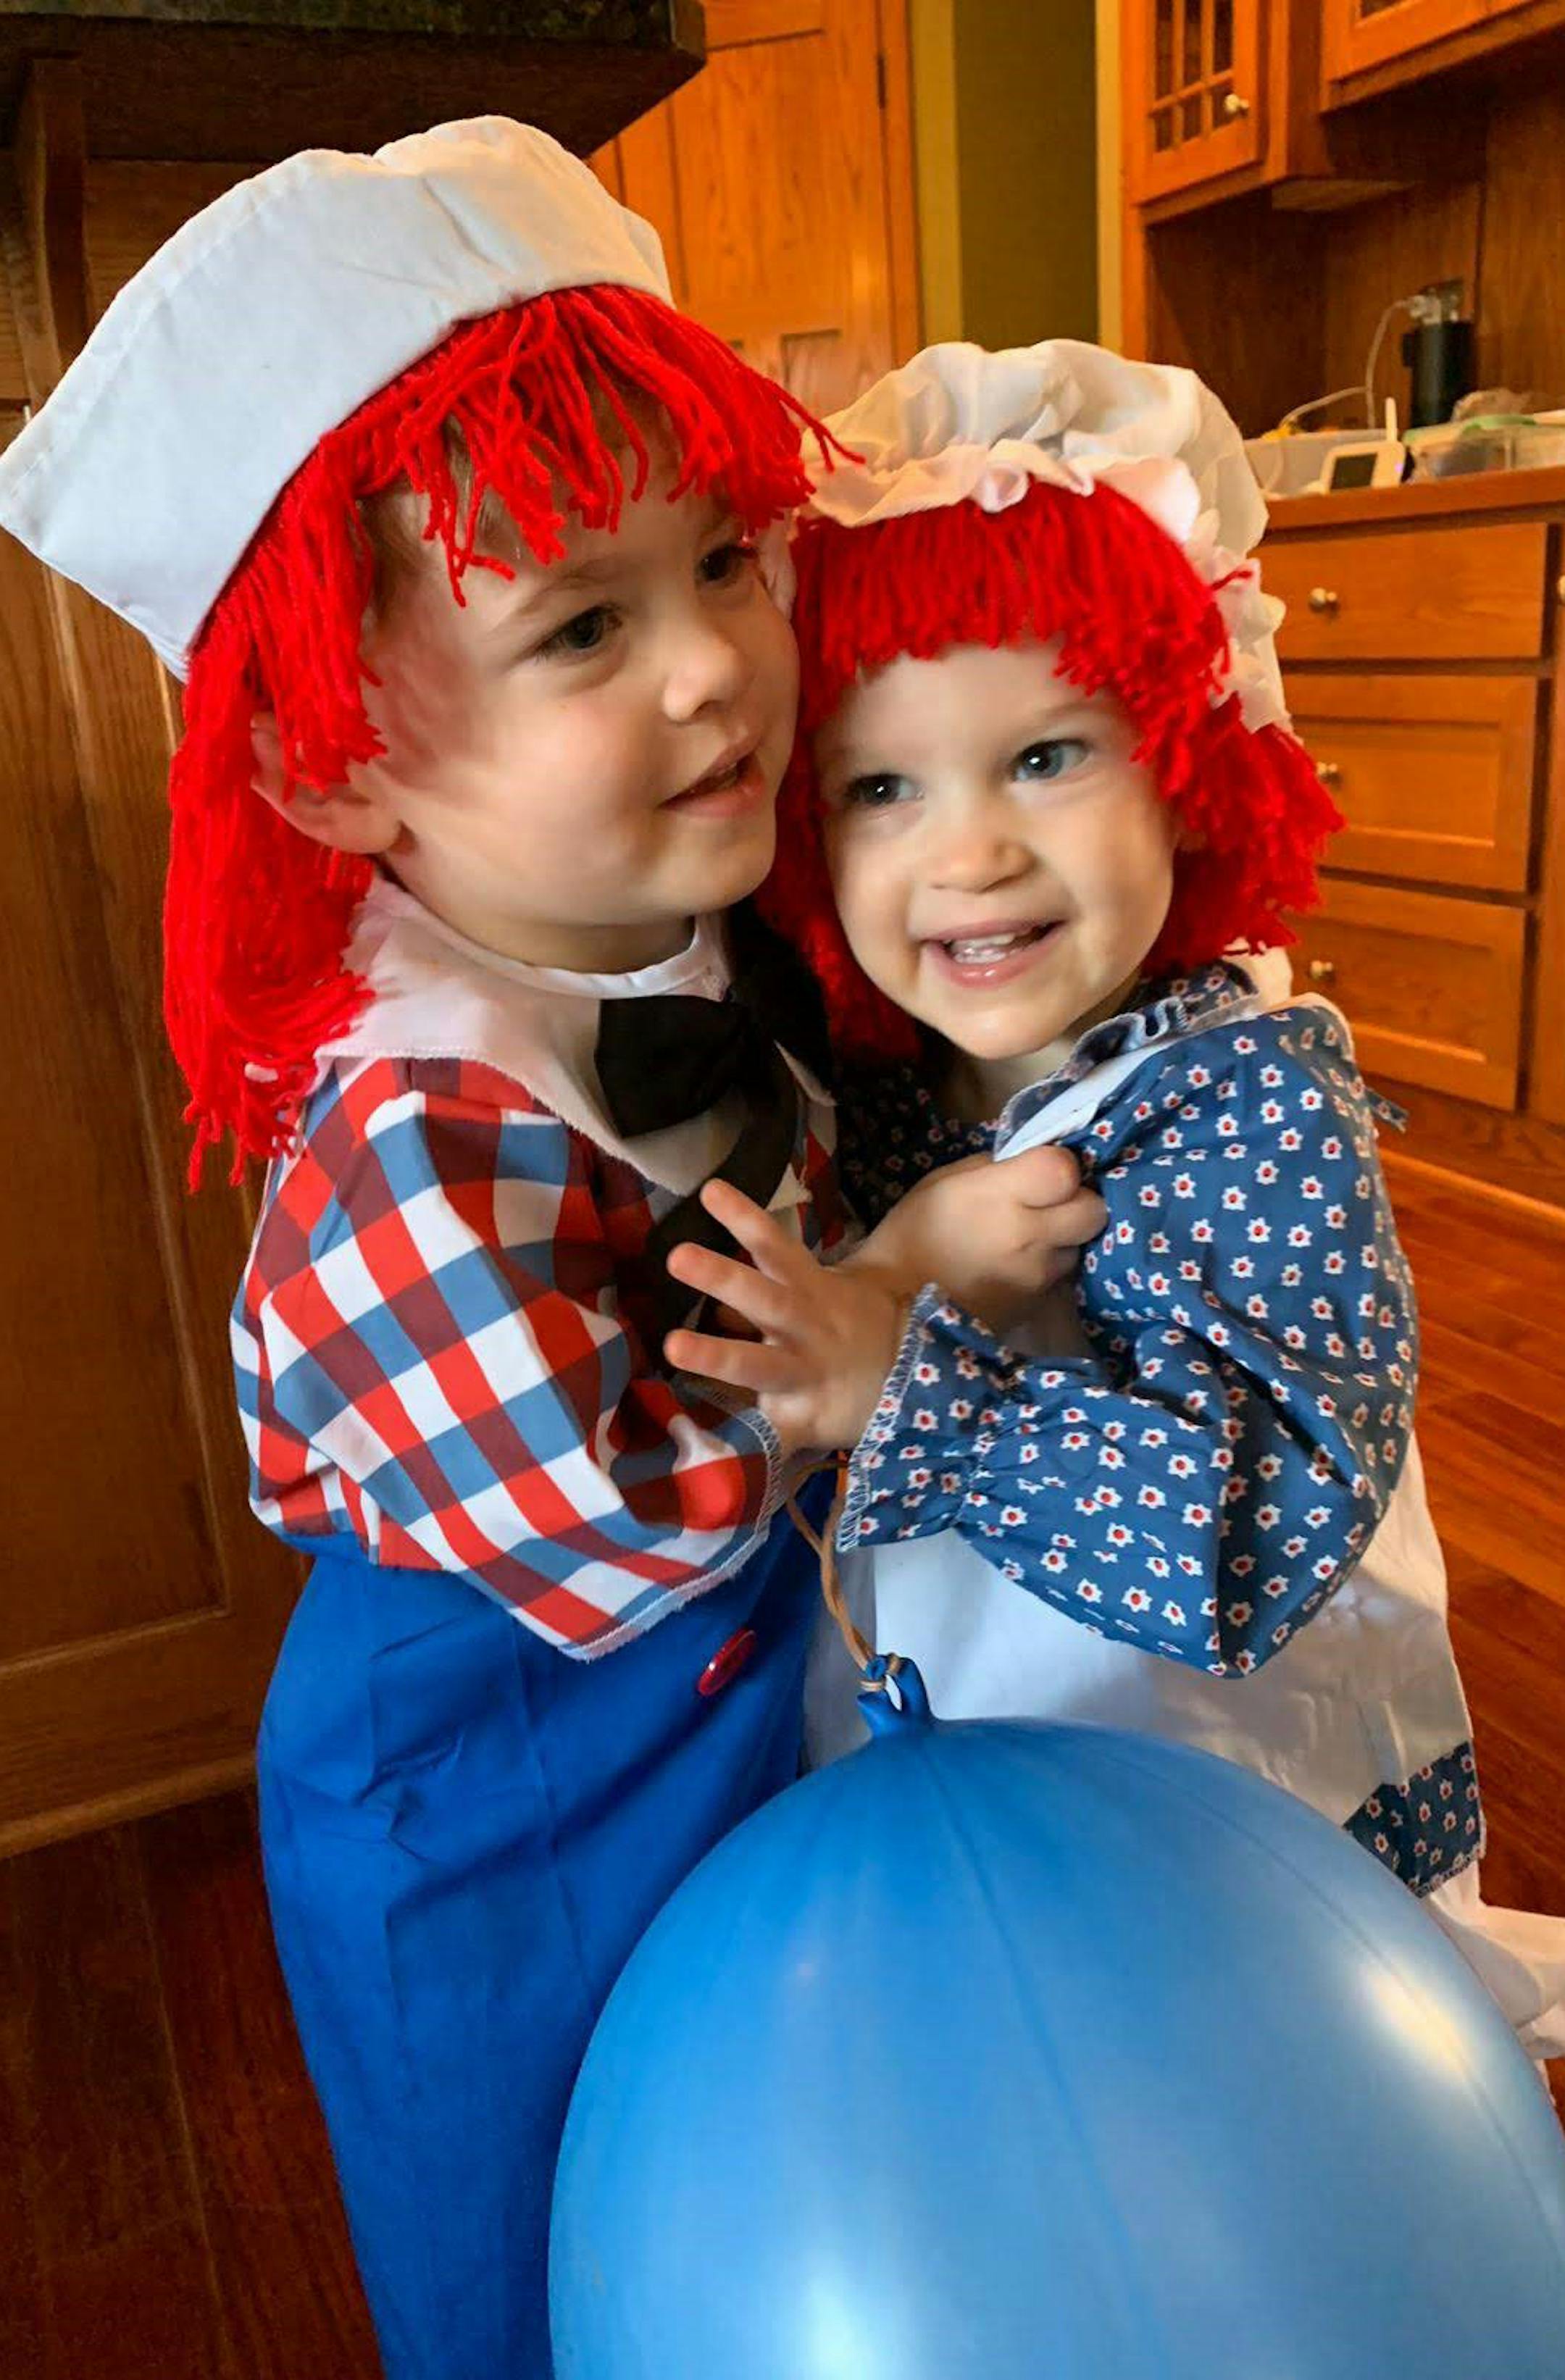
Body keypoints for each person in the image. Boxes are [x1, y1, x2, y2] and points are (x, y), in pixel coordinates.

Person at [0, 130, 1074, 2373]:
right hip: (492, 1798)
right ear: (328, 766)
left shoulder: (676, 927)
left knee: (772, 2168)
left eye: (728, 559)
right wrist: (902, 1279)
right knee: (541, 2244)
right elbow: (632, 1520)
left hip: (722, 1715)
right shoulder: (413, 1129)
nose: (714, 668)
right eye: (583, 622)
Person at [667, 338, 1565, 2062]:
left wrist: (900, 1379)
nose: (970, 853)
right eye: (880, 786)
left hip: (1231, 1837)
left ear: (1187, 762)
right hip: (986, 1803)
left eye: (1046, 756)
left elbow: (1255, 1531)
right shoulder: (885, 1085)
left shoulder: (1252, 1107)